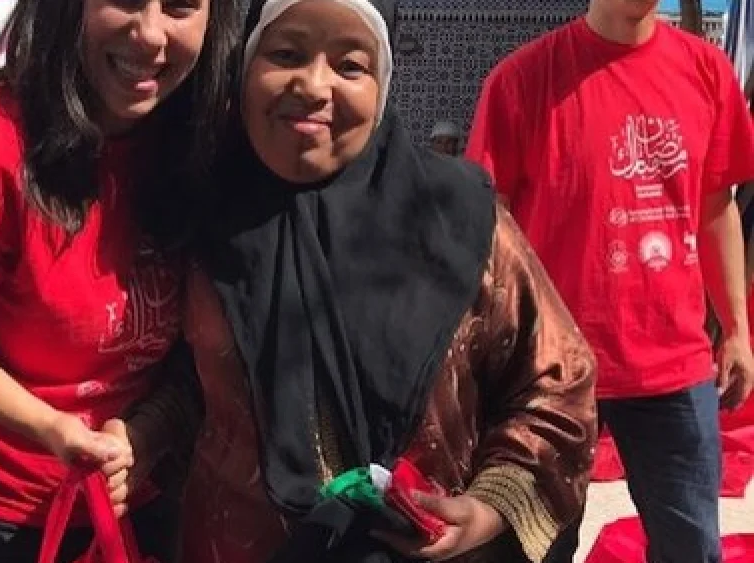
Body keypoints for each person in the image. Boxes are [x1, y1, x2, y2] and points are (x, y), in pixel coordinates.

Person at [164, 0, 598, 560]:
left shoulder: (458, 220)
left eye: (350, 66)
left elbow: (560, 385)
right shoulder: (199, 218)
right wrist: (138, 436)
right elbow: (175, 382)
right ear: (243, 68)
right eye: (286, 54)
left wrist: (492, 505)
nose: (315, 86)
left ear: (383, 84)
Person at [0, 0, 237, 560]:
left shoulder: (200, 151)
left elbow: (205, 343)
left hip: (137, 498)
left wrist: (144, 438)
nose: (151, 34)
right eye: (126, 0)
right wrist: (50, 427)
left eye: (181, 6)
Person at [465, 1, 754, 561]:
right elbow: (486, 232)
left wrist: (739, 330)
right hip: (549, 372)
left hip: (674, 367)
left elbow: (716, 209)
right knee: (533, 547)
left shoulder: (707, 71)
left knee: (691, 545)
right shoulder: (524, 80)